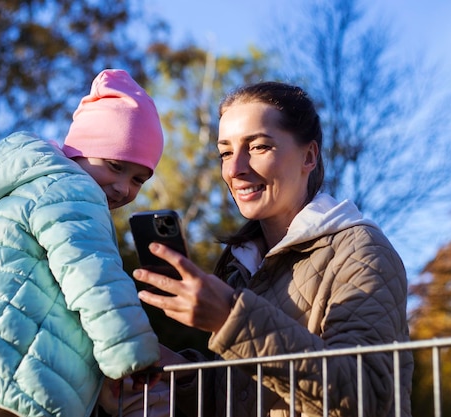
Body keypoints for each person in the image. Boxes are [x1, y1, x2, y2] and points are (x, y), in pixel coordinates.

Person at [0, 69, 166, 417]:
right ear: (80, 151)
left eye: (138, 179)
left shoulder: (29, 190)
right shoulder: (75, 192)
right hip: (5, 362)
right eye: (114, 166)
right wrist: (134, 355)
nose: (123, 188)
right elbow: (94, 276)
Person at [133, 81, 414, 416]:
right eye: (226, 152)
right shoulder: (242, 266)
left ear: (308, 156)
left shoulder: (360, 251)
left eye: (259, 147)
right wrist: (173, 369)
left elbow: (367, 395)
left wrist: (229, 319)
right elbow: (244, 396)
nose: (235, 168)